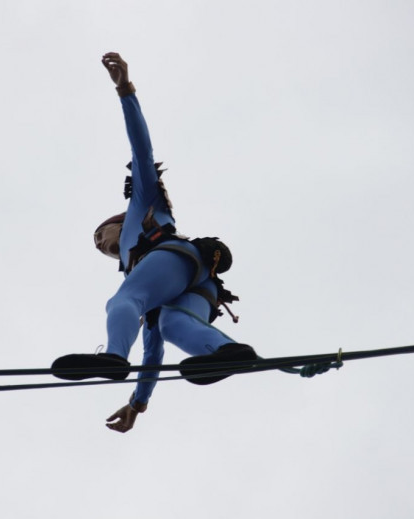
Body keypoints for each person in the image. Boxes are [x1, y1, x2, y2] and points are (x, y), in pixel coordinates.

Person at [52, 52, 258, 433]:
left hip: (175, 257)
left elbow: (141, 150)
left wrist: (125, 91)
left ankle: (114, 356)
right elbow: (152, 351)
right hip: (199, 281)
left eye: (100, 234)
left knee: (123, 300)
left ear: (118, 221)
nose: (100, 244)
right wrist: (138, 403)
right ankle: (228, 353)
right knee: (171, 325)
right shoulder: (143, 274)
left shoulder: (143, 203)